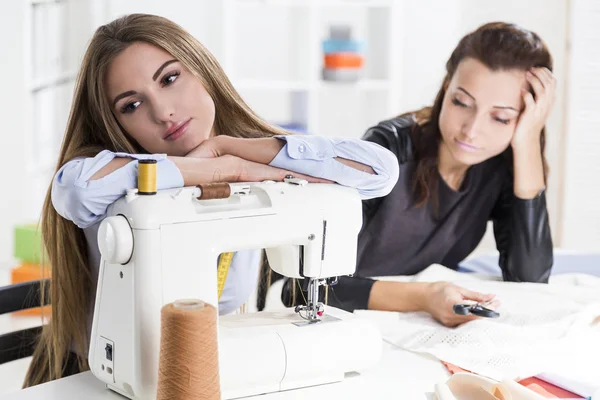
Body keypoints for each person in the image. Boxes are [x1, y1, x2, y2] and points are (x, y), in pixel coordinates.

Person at [23, 13, 400, 387]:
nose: (163, 112)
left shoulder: (251, 155)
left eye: (170, 79)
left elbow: (380, 171)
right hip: (94, 381)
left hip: (203, 371)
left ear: (201, 68)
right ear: (115, 122)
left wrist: (227, 149)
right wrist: (221, 171)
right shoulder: (113, 180)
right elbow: (74, 191)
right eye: (132, 106)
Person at [282, 22, 554, 328]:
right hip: (331, 324)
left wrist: (528, 142)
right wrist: (425, 297)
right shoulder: (390, 150)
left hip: (407, 328)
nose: (472, 130)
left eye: (501, 117)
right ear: (445, 88)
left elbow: (529, 278)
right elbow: (298, 289)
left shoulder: (500, 169)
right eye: (461, 102)